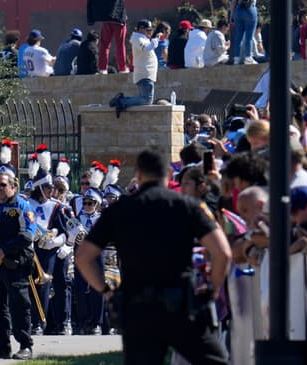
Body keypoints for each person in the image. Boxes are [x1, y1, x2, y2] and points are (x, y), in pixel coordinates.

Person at [76, 149, 231, 365]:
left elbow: (84, 256)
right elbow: (222, 252)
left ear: (138, 175)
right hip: (181, 304)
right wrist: (212, 290)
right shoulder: (187, 205)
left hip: (137, 307)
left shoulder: (120, 209)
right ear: (168, 173)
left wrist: (106, 291)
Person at [0, 167, 35, 360]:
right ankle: (2, 346)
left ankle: (25, 345)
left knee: (19, 306)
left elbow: (27, 235)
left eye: (3, 185)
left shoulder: (21, 206)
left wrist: (4, 250)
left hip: (15, 264)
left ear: (12, 186)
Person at [86, 0, 127, 73]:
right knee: (120, 45)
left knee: (104, 45)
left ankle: (103, 69)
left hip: (107, 21)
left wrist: (92, 18)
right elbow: (117, 2)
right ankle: (122, 68)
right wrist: (114, 14)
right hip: (119, 22)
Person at [228, 0, 262, 64]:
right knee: (249, 36)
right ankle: (248, 57)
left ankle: (236, 58)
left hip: (238, 11)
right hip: (250, 10)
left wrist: (232, 15)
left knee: (238, 35)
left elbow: (233, 2)